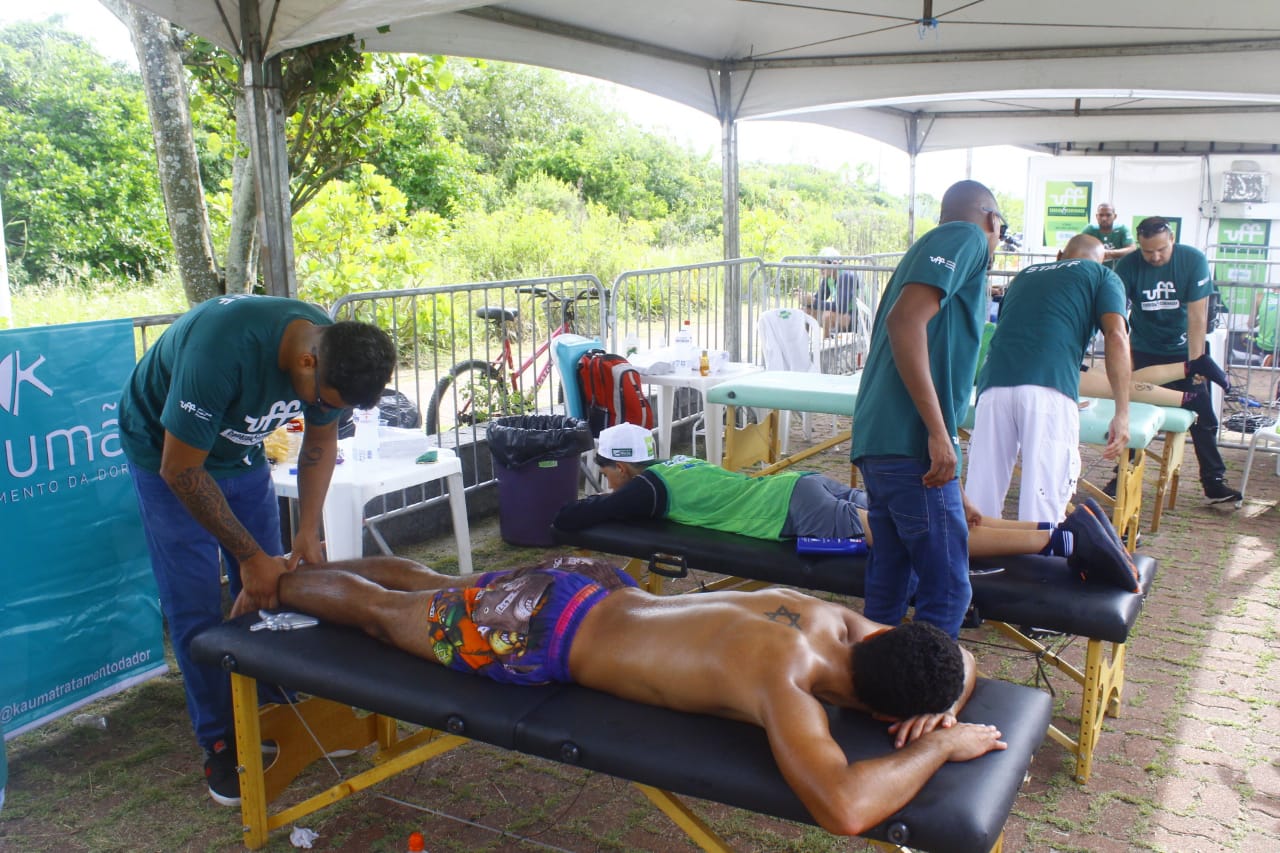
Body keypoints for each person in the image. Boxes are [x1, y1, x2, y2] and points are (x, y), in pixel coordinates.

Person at [268, 553, 1007, 837]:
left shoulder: (834, 620)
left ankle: (300, 567)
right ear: (880, 712)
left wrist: (944, 694)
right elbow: (844, 807)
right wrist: (941, 738)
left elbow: (960, 661)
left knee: (430, 584)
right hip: (534, 632)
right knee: (379, 614)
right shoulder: (784, 687)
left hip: (584, 584)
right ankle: (274, 581)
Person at [119, 293, 396, 806]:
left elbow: (319, 443)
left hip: (238, 451)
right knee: (195, 600)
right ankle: (221, 739)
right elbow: (181, 469)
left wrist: (307, 531)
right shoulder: (220, 351)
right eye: (326, 399)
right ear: (307, 361)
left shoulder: (330, 351)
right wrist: (250, 558)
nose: (323, 410)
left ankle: (276, 705)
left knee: (275, 589)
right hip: (166, 451)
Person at [554, 423, 1133, 582]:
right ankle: (1056, 524)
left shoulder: (644, 491)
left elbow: (582, 517)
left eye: (604, 471)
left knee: (921, 532)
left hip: (800, 513)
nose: (605, 482)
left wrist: (552, 516)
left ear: (621, 467)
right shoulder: (673, 464)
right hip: (803, 489)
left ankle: (1063, 540)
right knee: (925, 518)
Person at [849, 180, 1003, 639]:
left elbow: (913, 327)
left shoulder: (925, 248)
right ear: (992, 220)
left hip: (882, 443)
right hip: (910, 444)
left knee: (892, 579)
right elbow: (905, 320)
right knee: (950, 590)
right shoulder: (968, 236)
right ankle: (922, 696)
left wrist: (953, 482)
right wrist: (938, 433)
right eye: (1001, 230)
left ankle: (870, 681)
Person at [965, 234, 1131, 523]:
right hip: (1049, 390)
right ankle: (1038, 565)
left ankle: (974, 563)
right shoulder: (1103, 276)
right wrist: (1122, 412)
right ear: (1101, 261)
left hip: (993, 386)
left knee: (981, 495)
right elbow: (1116, 336)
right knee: (1043, 500)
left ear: (1059, 255)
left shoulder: (1025, 276)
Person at [1113, 217, 1241, 503]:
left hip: (1184, 351)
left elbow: (1197, 317)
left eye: (1161, 249)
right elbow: (1117, 316)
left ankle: (1214, 482)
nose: (1155, 257)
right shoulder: (1128, 266)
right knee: (1135, 416)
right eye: (1148, 252)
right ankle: (1120, 475)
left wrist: (1197, 364)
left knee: (1203, 417)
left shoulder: (1192, 259)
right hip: (1145, 351)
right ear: (1139, 246)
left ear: (1172, 239)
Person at [802, 246, 863, 337]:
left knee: (827, 316)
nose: (820, 269)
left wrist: (813, 301)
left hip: (857, 318)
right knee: (806, 311)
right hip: (843, 315)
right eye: (820, 265)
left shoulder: (846, 276)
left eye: (823, 265)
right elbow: (818, 299)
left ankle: (827, 345)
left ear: (834, 264)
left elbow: (841, 307)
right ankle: (804, 343)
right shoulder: (829, 277)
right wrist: (805, 299)